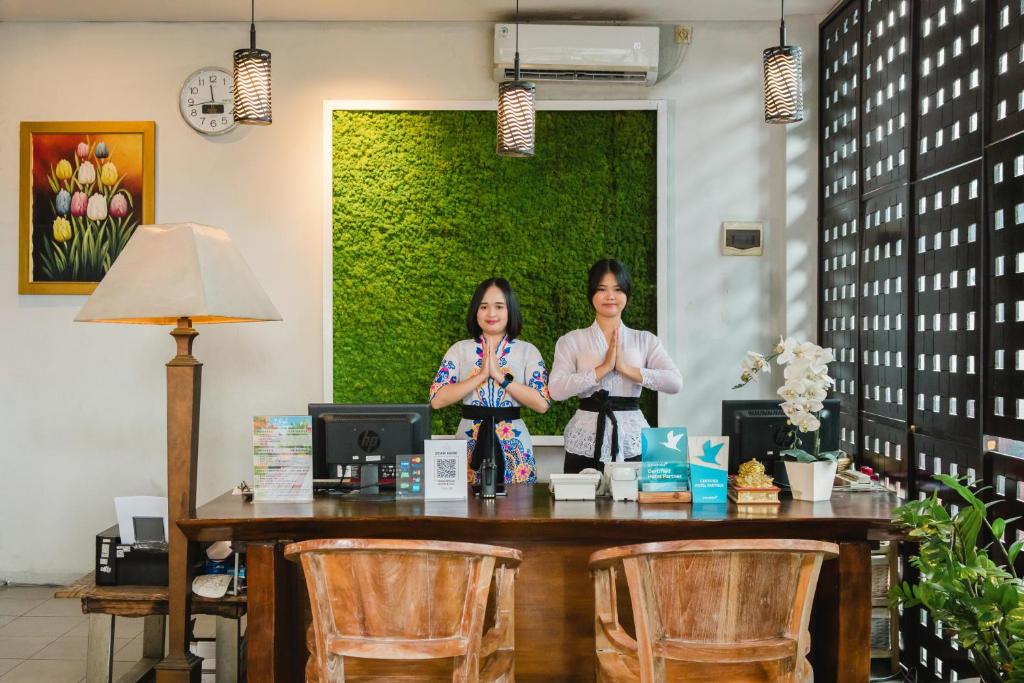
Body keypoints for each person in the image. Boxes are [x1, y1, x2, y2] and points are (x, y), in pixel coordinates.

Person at [549, 259, 682, 473]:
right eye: (602, 289)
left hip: (632, 437)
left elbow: (675, 383)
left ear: (626, 294)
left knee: (633, 494)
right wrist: (602, 369)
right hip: (585, 439)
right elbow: (555, 390)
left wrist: (625, 368)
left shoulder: (645, 340)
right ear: (591, 293)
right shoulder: (571, 340)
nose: (610, 296)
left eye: (618, 289)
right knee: (580, 495)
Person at [429, 278, 551, 486]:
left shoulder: (527, 351)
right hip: (468, 441)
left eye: (499, 306)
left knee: (516, 504)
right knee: (466, 503)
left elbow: (542, 403)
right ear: (475, 311)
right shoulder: (459, 349)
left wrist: (500, 377)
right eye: (484, 306)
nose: (491, 313)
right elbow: (437, 399)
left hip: (514, 445)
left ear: (510, 310)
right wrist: (480, 376)